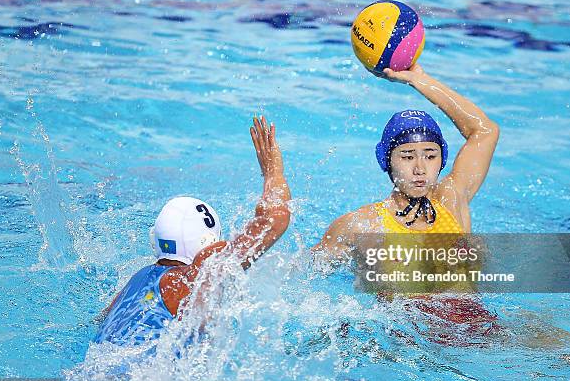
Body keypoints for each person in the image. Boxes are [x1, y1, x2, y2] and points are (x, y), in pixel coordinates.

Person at [312, 63, 500, 345]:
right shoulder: (362, 225)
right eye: (408, 156)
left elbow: (484, 131)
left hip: (479, 329)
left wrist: (420, 80)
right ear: (386, 161)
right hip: (413, 344)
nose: (420, 169)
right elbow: (302, 277)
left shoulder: (450, 200)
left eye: (430, 155)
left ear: (442, 159)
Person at [95, 115, 291, 346]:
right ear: (207, 247)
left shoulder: (132, 285)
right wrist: (273, 172)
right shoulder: (192, 279)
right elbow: (274, 220)